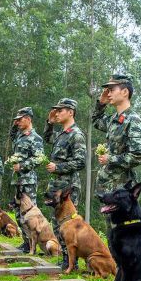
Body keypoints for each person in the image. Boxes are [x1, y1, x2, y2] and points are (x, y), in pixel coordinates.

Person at [92, 74, 141, 231]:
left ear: (125, 92)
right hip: (110, 186)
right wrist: (101, 103)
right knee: (112, 233)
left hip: (122, 191)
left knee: (122, 233)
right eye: (107, 90)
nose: (108, 93)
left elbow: (138, 155)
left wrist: (111, 158)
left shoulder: (133, 120)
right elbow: (96, 120)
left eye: (111, 89)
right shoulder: (114, 119)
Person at [43, 98, 87, 270]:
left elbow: (80, 162)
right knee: (57, 223)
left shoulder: (76, 135)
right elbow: (47, 138)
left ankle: (72, 263)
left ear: (71, 112)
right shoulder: (62, 134)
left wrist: (58, 166)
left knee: (69, 225)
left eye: (61, 110)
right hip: (57, 186)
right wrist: (50, 122)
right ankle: (65, 260)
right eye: (57, 110)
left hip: (68, 187)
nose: (57, 112)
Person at [9, 107, 44, 253]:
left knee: (30, 215)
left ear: (29, 119)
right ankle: (26, 242)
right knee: (18, 213)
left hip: (28, 180)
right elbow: (11, 134)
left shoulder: (35, 137)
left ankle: (33, 245)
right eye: (16, 120)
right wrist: (15, 123)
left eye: (20, 119)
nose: (17, 122)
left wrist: (22, 165)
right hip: (18, 180)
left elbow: (39, 158)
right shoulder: (19, 136)